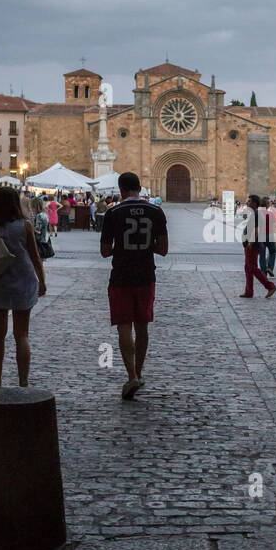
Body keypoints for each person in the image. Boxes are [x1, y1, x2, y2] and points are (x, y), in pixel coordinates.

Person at [100, 171, 168, 401]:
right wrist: (146, 245)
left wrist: (121, 247)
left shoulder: (113, 213)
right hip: (146, 275)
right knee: (142, 326)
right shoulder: (156, 211)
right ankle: (139, 371)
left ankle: (131, 376)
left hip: (120, 276)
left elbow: (105, 251)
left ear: (121, 189)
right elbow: (164, 249)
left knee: (123, 327)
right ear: (139, 187)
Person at [0, 185, 46, 388]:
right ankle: (23, 380)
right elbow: (35, 257)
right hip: (24, 282)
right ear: (15, 204)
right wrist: (42, 281)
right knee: (22, 334)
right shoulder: (25, 226)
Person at [240, 194, 276, 300]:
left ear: (255, 203)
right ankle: (249, 291)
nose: (247, 203)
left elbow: (256, 229)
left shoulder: (256, 213)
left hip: (253, 244)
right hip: (252, 244)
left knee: (253, 268)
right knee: (248, 268)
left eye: (249, 201)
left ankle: (270, 286)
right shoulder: (256, 213)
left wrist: (250, 242)